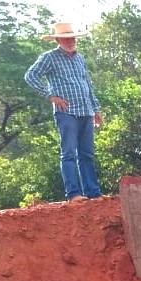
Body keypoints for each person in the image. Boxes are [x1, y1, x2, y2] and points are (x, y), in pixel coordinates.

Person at [25, 22, 103, 202]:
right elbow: (30, 75)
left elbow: (87, 84)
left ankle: (93, 192)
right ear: (58, 40)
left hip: (86, 110)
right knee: (68, 153)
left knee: (87, 154)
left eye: (72, 38)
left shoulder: (79, 58)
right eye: (66, 39)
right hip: (66, 111)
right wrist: (50, 95)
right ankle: (73, 194)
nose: (70, 41)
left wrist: (96, 109)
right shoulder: (49, 57)